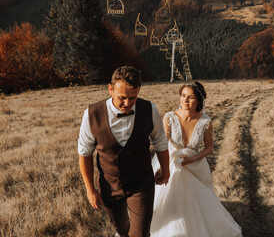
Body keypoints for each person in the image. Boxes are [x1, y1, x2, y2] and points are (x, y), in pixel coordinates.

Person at [78, 66, 170, 237]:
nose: (127, 104)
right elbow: (84, 154)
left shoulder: (150, 110)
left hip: (141, 183)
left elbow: (161, 142)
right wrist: (90, 190)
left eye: (133, 98)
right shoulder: (91, 114)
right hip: (110, 186)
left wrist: (166, 171)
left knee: (141, 234)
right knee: (121, 230)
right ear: (110, 89)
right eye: (122, 98)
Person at [150, 81, 243, 237]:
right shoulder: (169, 117)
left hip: (195, 166)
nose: (185, 101)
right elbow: (163, 144)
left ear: (198, 100)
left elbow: (209, 148)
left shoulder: (205, 122)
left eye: (191, 97)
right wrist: (163, 166)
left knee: (199, 201)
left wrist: (190, 160)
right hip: (171, 162)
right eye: (183, 96)